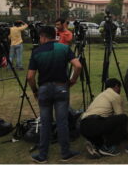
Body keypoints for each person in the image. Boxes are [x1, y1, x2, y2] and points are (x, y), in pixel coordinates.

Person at [27, 26, 82, 163]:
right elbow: (78, 66)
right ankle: (65, 153)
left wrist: (35, 90)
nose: (39, 40)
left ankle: (42, 155)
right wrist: (73, 79)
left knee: (45, 123)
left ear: (44, 37)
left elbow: (30, 77)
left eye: (40, 37)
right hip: (61, 88)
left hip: (44, 90)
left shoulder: (37, 51)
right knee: (61, 122)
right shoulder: (63, 48)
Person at [80, 78, 128, 158]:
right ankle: (108, 148)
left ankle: (95, 146)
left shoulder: (101, 95)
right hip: (95, 123)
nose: (120, 90)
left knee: (101, 136)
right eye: (120, 88)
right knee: (123, 118)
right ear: (116, 86)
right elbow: (119, 115)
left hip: (83, 125)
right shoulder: (115, 95)